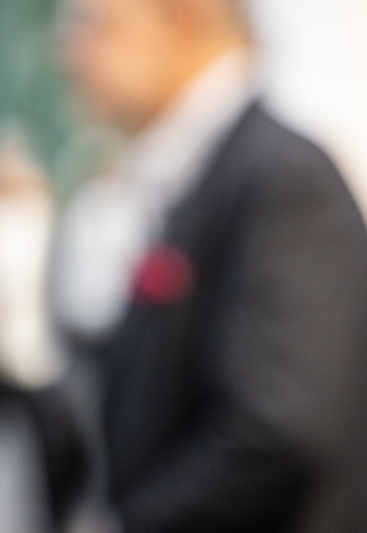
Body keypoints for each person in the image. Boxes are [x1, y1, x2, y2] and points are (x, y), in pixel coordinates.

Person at [58, 0, 367, 531]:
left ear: (187, 13)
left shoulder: (281, 177)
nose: (69, 52)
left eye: (96, 25)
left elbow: (277, 432)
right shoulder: (209, 175)